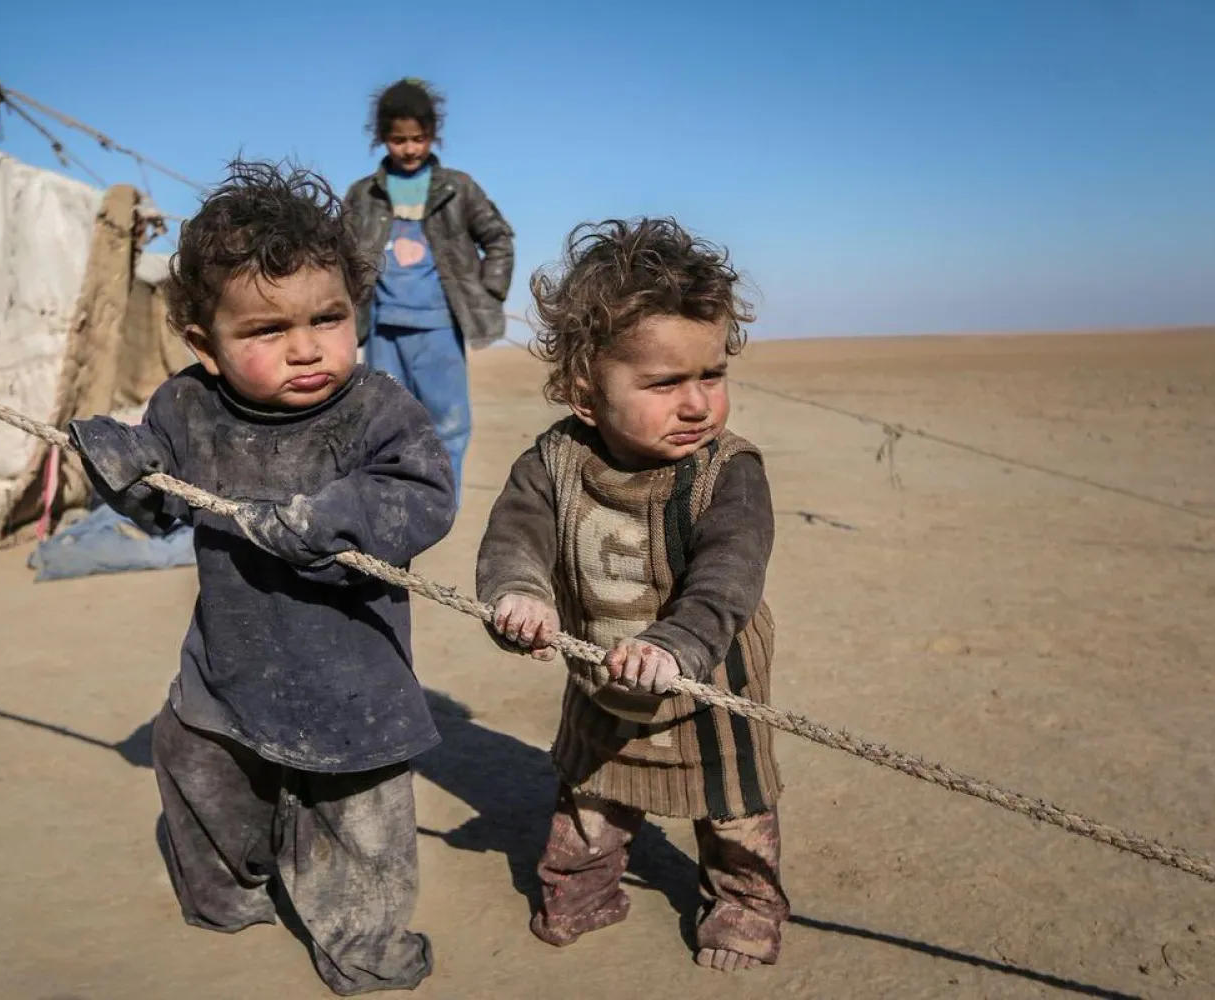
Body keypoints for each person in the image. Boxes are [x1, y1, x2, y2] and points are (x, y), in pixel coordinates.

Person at [66, 160, 455, 996]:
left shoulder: (379, 410)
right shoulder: (186, 408)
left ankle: (363, 944)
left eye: (329, 317)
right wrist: (124, 467)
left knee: (362, 828)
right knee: (198, 772)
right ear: (205, 345)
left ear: (359, 312)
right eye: (268, 331)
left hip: (354, 682)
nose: (308, 347)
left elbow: (422, 497)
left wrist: (333, 516)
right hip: (228, 668)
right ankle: (231, 894)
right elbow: (162, 504)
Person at [475, 218, 789, 972]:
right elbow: (513, 542)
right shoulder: (552, 462)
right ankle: (585, 887)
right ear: (585, 393)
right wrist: (519, 597)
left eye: (711, 376)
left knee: (735, 813)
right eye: (664, 382)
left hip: (711, 686)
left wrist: (675, 645)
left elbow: (727, 578)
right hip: (600, 684)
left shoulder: (729, 473)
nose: (697, 404)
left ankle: (743, 907)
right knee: (590, 798)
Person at [344, 77, 515, 505]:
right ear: (382, 138)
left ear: (432, 136)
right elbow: (340, 254)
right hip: (383, 329)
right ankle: (396, 500)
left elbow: (498, 238)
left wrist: (489, 292)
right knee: (385, 420)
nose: (409, 149)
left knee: (448, 421)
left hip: (440, 326)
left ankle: (442, 502)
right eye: (399, 139)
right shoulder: (363, 195)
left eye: (418, 138)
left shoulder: (458, 188)